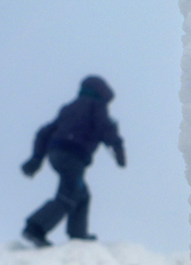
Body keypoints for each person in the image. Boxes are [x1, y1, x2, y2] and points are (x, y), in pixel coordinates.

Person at [20, 75, 126, 247]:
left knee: (82, 194)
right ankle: (35, 228)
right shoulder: (96, 105)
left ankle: (78, 234)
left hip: (56, 153)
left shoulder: (69, 108)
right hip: (73, 154)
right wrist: (119, 149)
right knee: (69, 194)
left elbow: (44, 132)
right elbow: (105, 127)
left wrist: (36, 158)